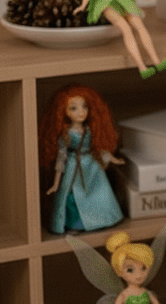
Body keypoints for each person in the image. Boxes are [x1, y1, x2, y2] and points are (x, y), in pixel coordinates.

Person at [40, 84, 124, 234]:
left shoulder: (90, 130)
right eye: (73, 108)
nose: (81, 112)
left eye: (84, 107)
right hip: (73, 166)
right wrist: (56, 183)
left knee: (99, 193)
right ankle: (75, 224)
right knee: (72, 196)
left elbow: (98, 148)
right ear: (63, 112)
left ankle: (102, 219)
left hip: (91, 166)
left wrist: (112, 158)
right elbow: (61, 157)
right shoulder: (66, 134)